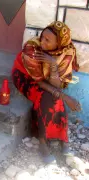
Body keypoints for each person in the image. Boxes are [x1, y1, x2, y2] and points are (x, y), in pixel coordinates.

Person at [12, 21, 81, 164]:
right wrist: (66, 97)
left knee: (55, 96)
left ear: (59, 44)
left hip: (47, 80)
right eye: (42, 37)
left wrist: (54, 65)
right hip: (25, 76)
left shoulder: (66, 52)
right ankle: (42, 142)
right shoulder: (32, 49)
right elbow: (39, 82)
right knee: (45, 96)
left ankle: (63, 138)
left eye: (48, 40)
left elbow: (57, 84)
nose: (42, 42)